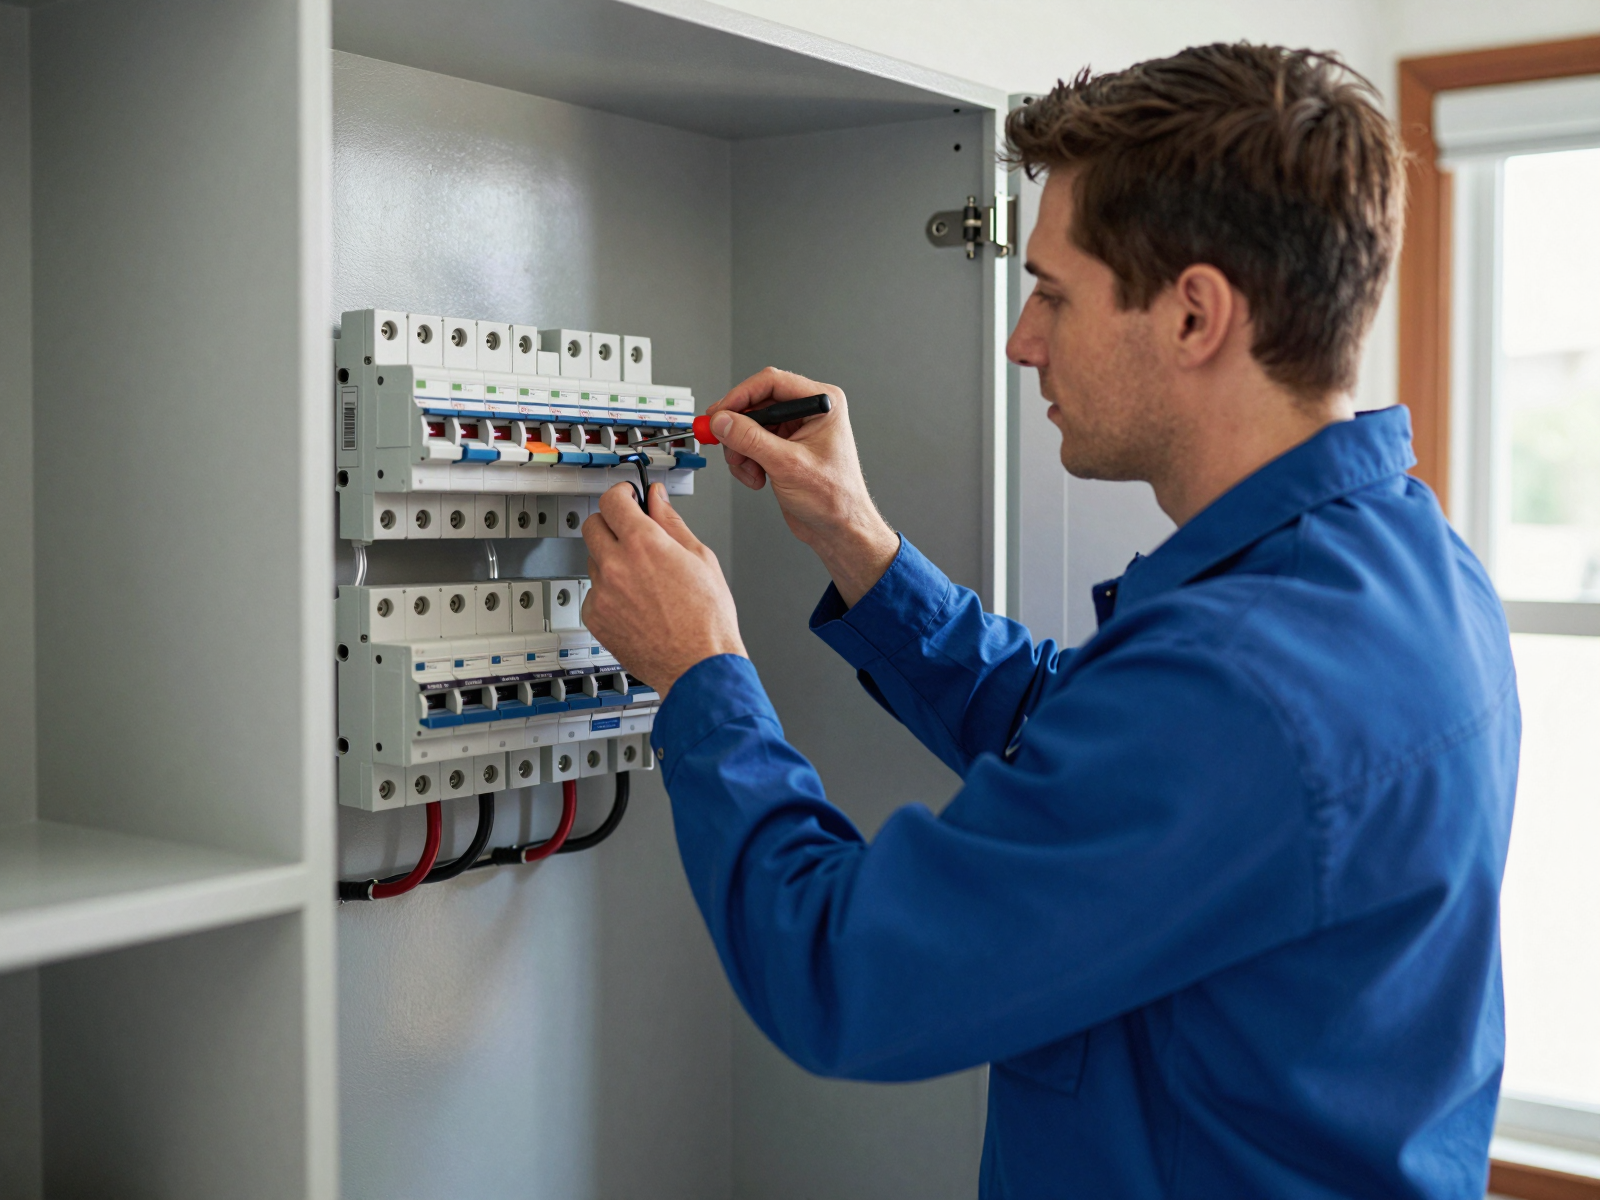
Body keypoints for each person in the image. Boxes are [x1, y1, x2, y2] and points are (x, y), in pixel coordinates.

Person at [580, 42, 1518, 1200]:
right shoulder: (1403, 564)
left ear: (1193, 317)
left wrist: (700, 673)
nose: (1022, 338)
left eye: (1053, 292)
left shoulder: (1244, 681)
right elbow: (1092, 749)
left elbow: (843, 971)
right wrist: (862, 549)